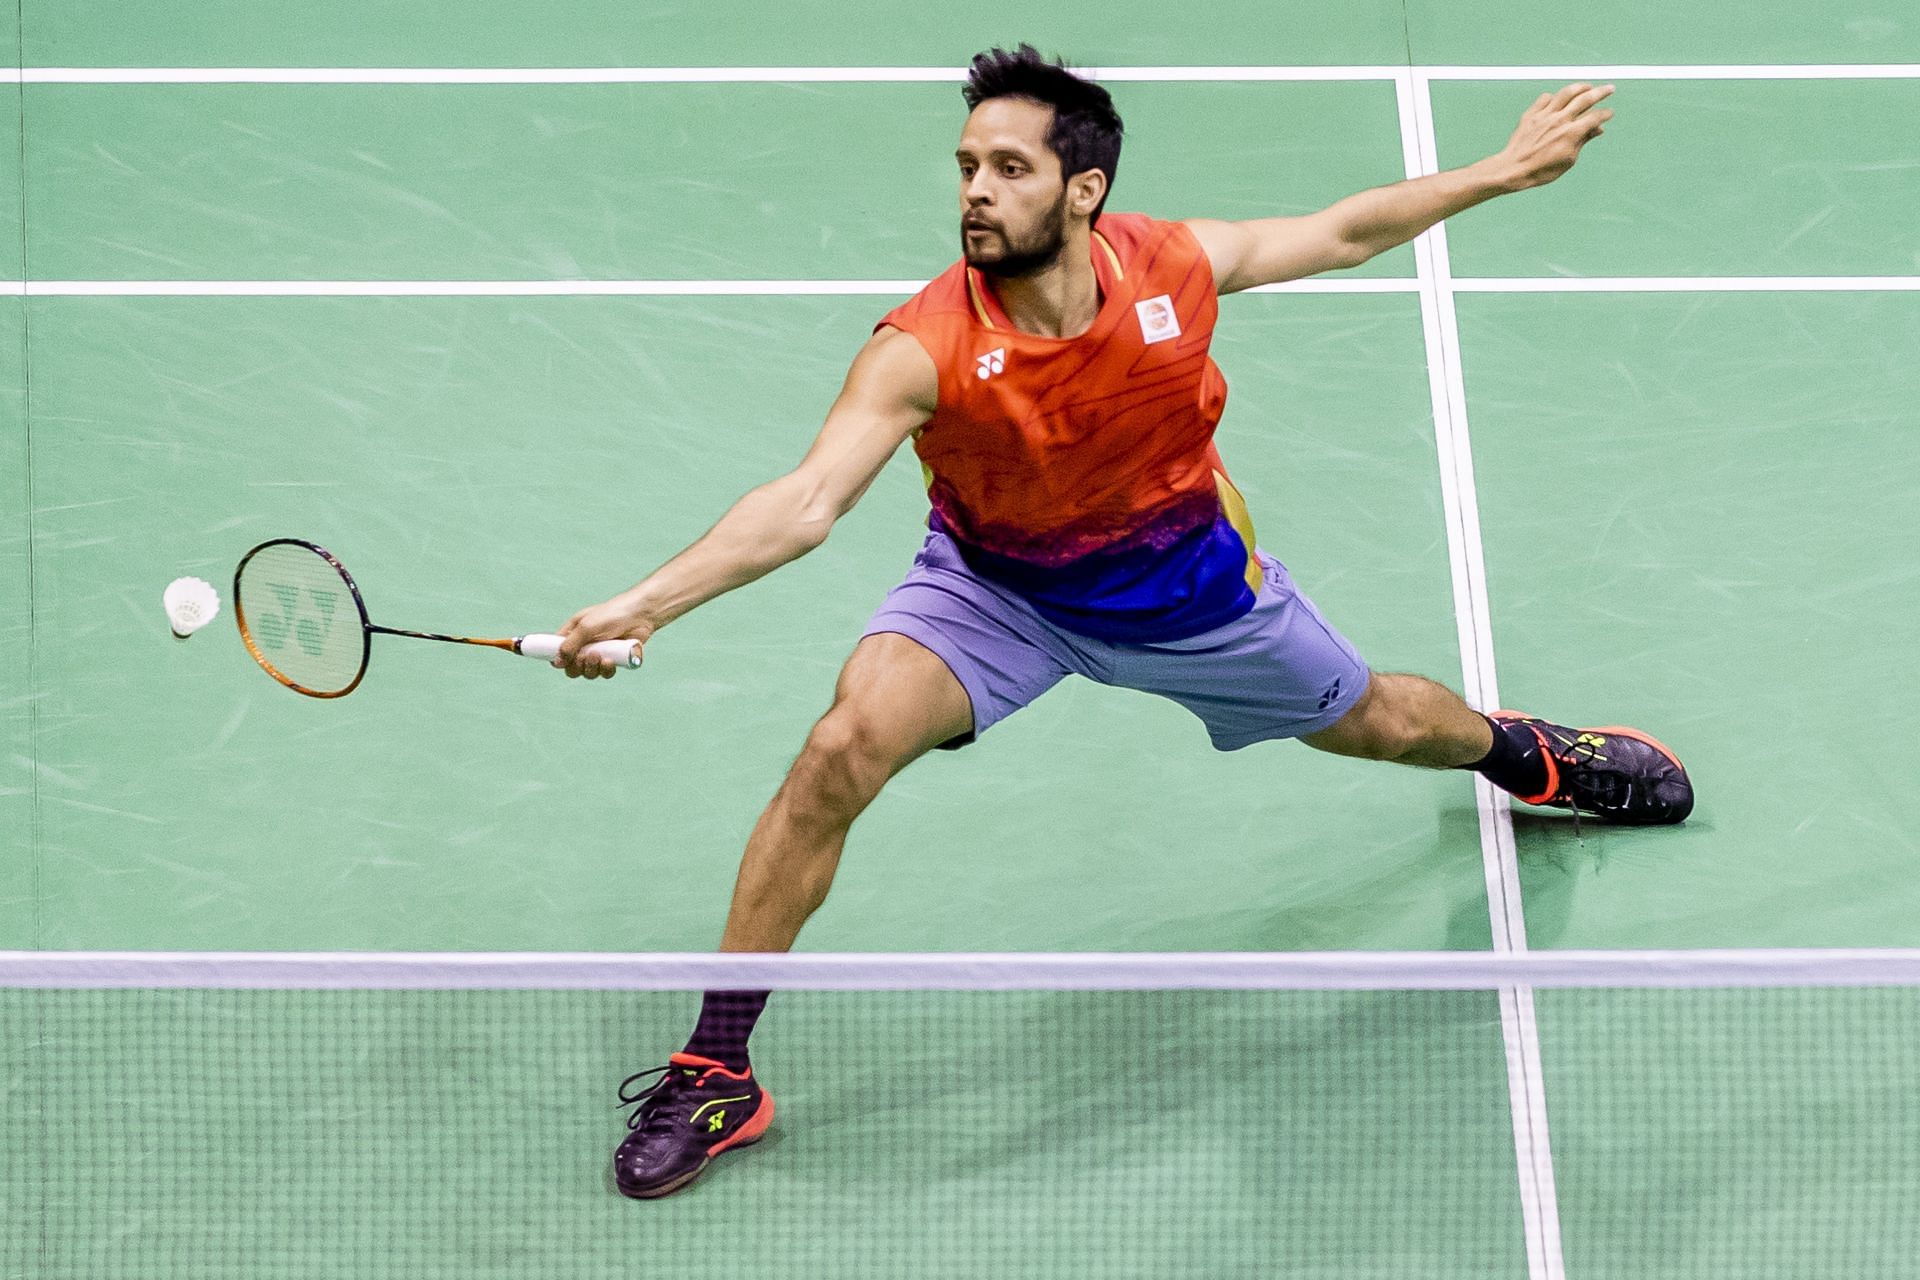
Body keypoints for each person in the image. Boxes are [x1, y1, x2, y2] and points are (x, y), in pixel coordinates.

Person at [554, 45, 1692, 1200]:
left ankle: (1524, 752)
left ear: (1082, 189)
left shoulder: (1172, 268)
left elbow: (1342, 230)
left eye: (1007, 167)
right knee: (838, 751)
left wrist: (1500, 172)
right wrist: (646, 603)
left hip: (1190, 593)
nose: (975, 193)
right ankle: (718, 1065)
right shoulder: (925, 345)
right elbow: (804, 502)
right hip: (999, 591)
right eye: (965, 168)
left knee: (1382, 720)